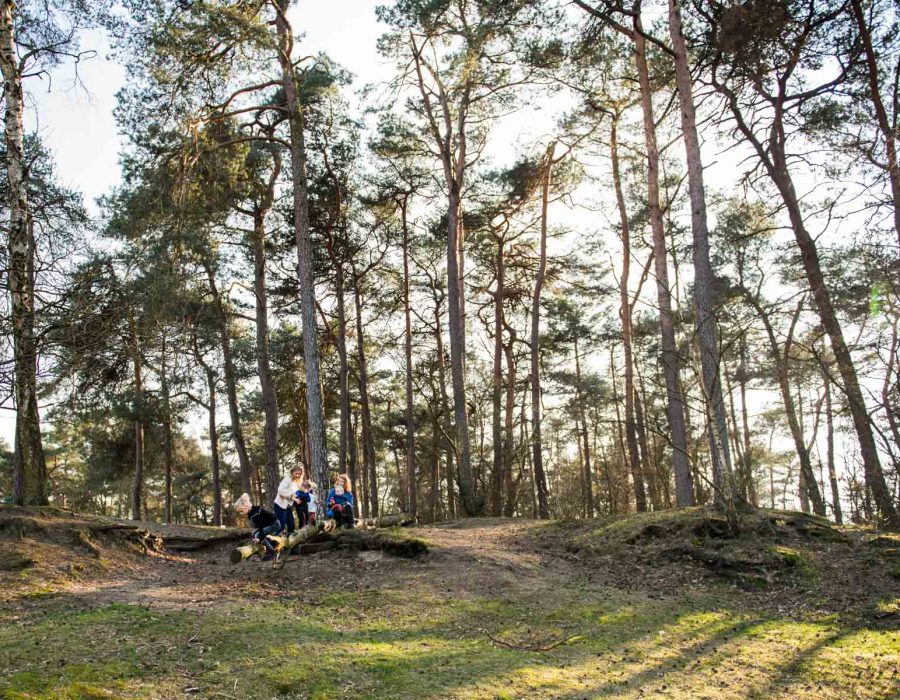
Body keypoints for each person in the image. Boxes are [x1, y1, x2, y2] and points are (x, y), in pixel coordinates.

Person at [234, 493, 281, 562]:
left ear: (245, 506)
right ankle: (273, 543)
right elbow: (258, 525)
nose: (241, 513)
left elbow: (260, 527)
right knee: (254, 533)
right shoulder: (251, 512)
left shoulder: (255, 513)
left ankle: (271, 552)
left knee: (257, 535)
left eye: (241, 511)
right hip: (268, 524)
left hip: (275, 524)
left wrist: (259, 538)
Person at [274, 466, 304, 535]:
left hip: (288, 507)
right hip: (280, 505)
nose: (297, 475)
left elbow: (295, 494)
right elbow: (281, 490)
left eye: (299, 474)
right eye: (296, 473)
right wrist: (292, 495)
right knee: (281, 526)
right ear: (292, 472)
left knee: (291, 525)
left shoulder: (295, 483)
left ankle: (290, 542)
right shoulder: (287, 479)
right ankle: (271, 541)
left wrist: (298, 498)